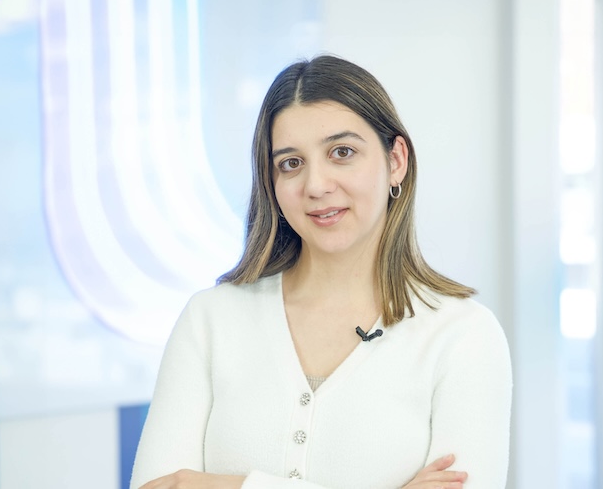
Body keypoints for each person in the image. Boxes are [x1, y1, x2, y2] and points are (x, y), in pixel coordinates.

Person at [130, 55, 512, 489]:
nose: (315, 185)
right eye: (290, 163)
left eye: (342, 153)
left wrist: (229, 485)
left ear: (396, 161)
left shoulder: (463, 336)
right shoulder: (210, 319)